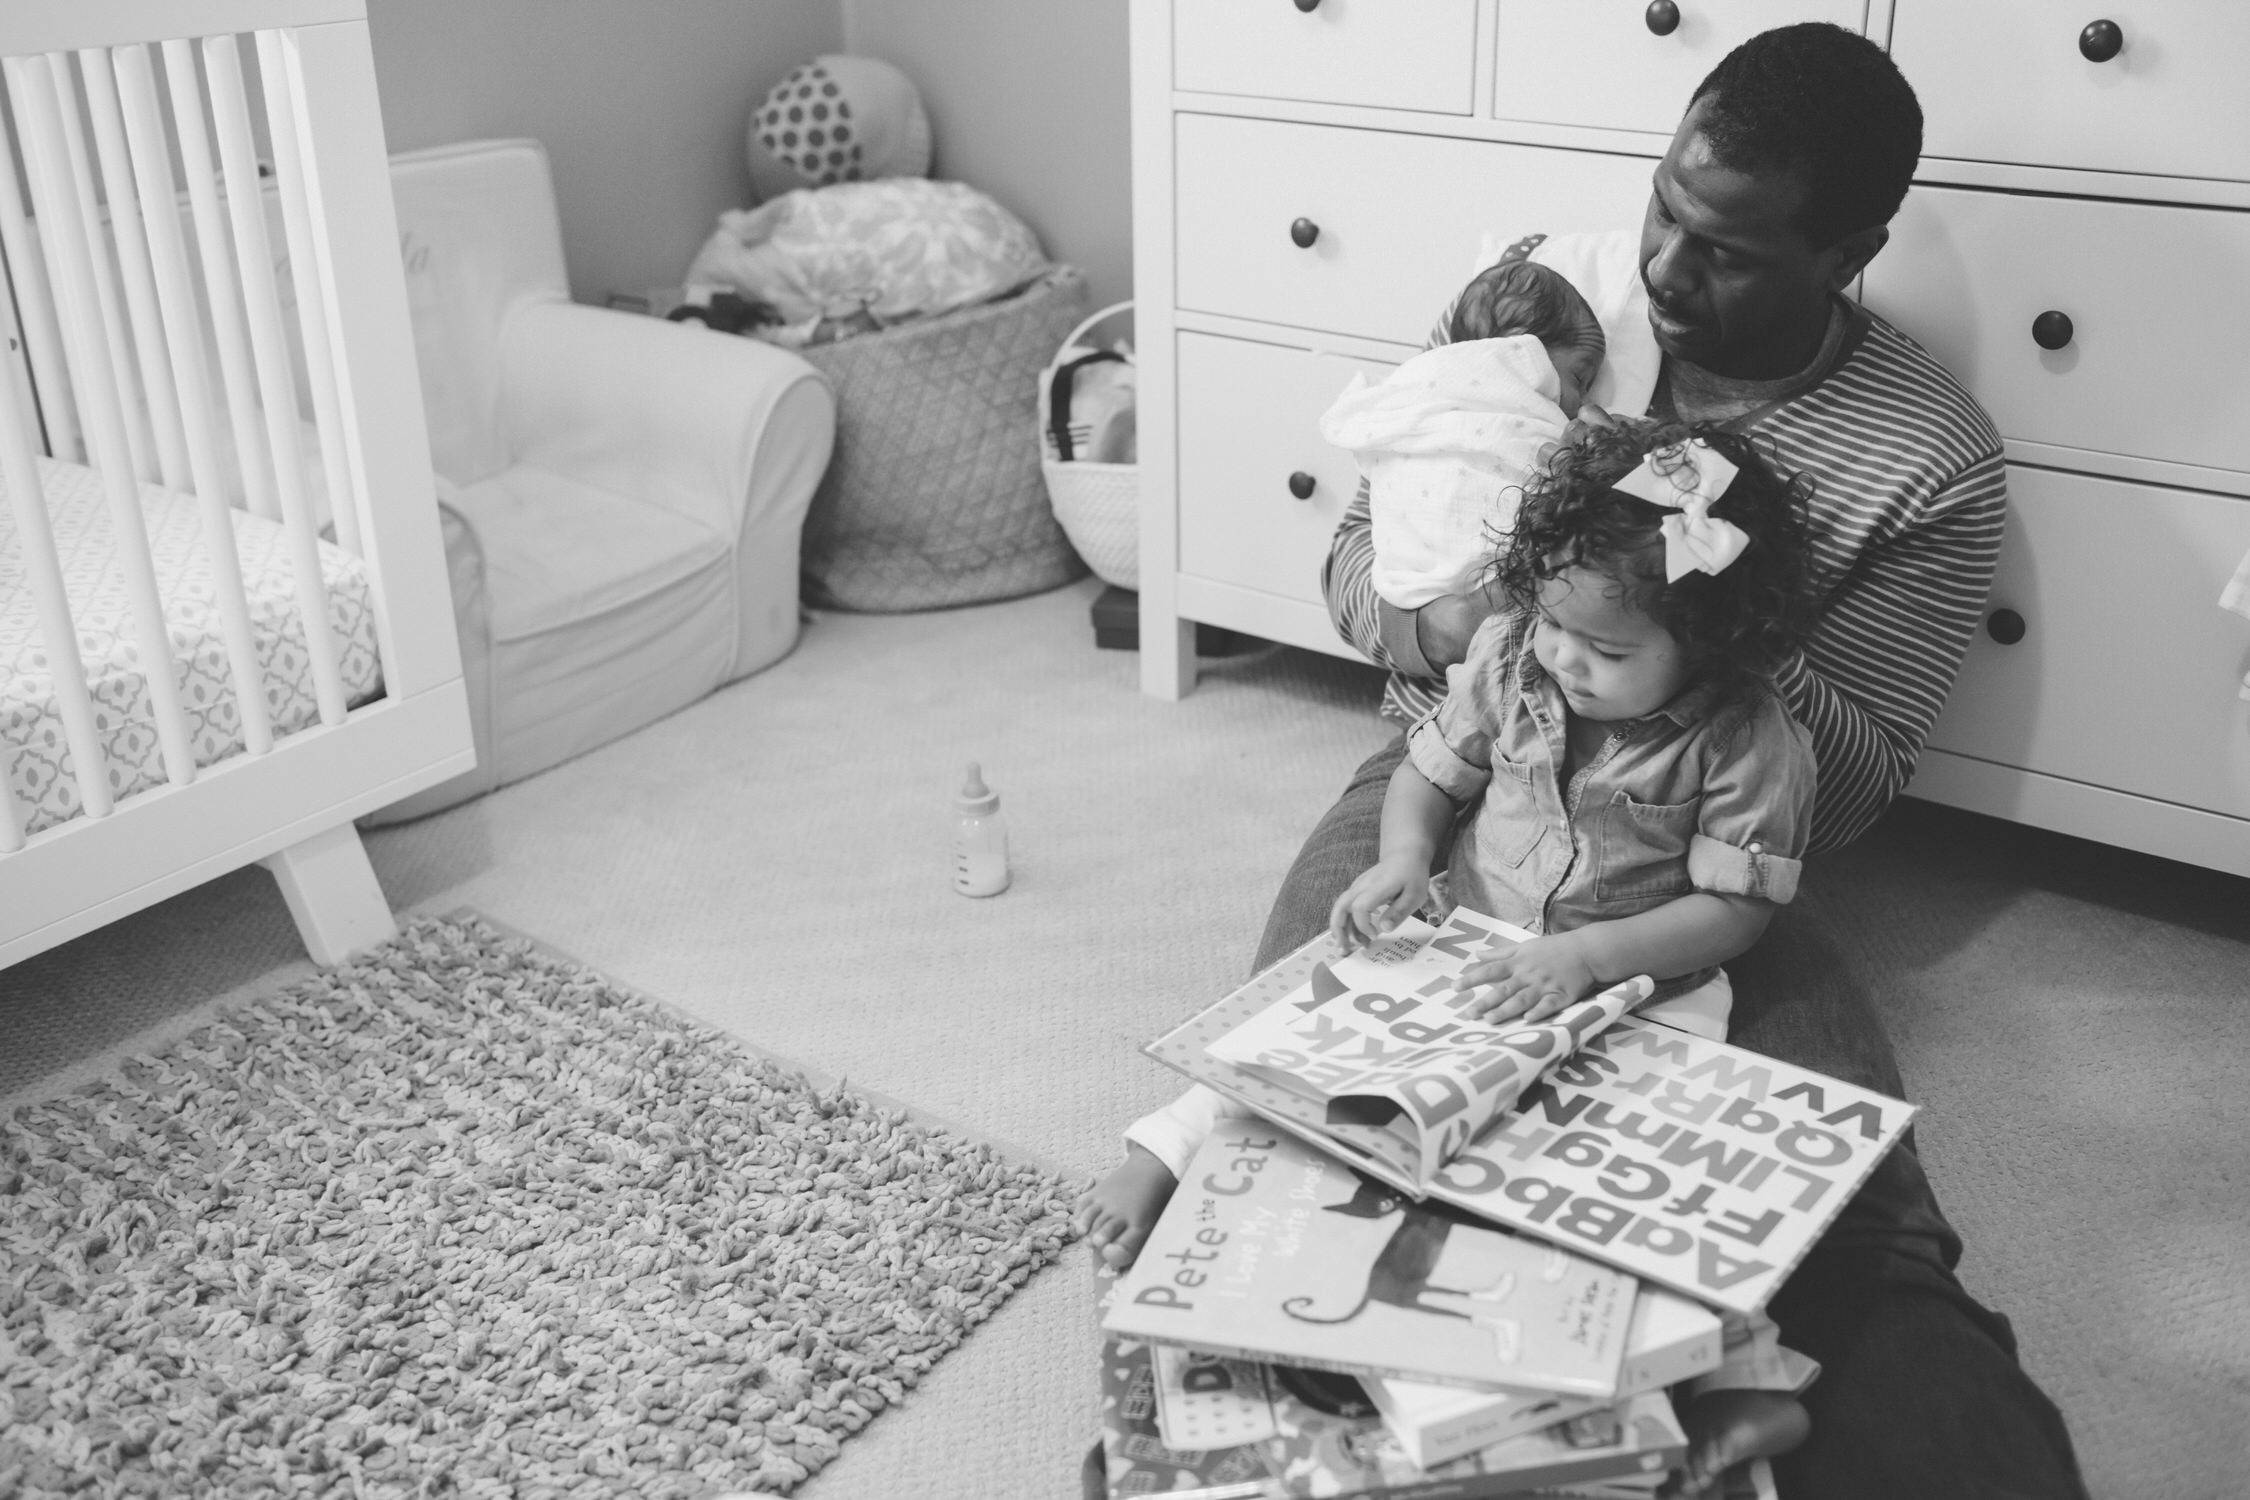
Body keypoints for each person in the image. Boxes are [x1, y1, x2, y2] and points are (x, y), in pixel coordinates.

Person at [1091, 21, 2091, 1500]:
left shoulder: (1924, 447)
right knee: (1309, 1114)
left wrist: (1718, 609)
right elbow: (1362, 570)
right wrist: (1512, 602)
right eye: (1664, 212)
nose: (1671, 273)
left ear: (1849, 251)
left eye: (1731, 250)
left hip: (1696, 827)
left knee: (1842, 1233)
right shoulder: (1559, 307)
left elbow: (1863, 778)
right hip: (1474, 771)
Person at [1083, 421, 1830, 1492]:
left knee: (1625, 1179)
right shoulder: (1512, 653)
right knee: (1311, 1028)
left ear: (1712, 642)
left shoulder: (1750, 738)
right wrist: (1402, 858)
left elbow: (1732, 911)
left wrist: (1591, 963)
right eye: (1558, 625)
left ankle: (1733, 1374)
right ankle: (1168, 1152)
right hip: (1469, 942)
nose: (1568, 658)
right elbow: (1430, 775)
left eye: (1609, 652)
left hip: (1639, 984)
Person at [1321, 257, 1615, 611]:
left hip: (1446, 596)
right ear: (1518, 353)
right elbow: (1350, 549)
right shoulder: (1427, 387)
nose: (1581, 402)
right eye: (1580, 379)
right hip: (1427, 594)